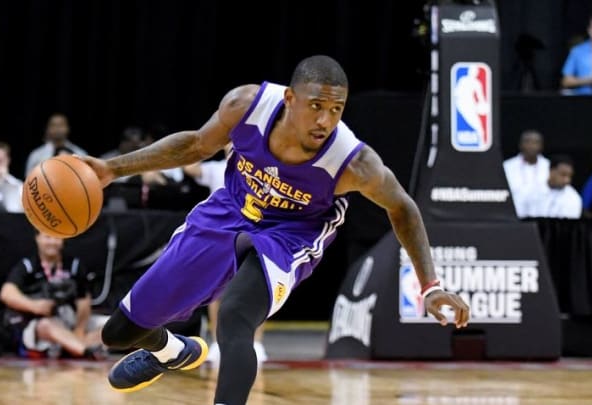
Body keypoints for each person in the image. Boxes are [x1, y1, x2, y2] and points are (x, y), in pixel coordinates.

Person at [78, 55, 470, 404]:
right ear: (289, 99)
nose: (325, 120)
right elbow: (196, 145)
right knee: (119, 332)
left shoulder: (353, 161)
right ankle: (171, 351)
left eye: (336, 109)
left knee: (233, 318)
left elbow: (403, 208)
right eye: (316, 106)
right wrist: (114, 169)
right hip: (229, 210)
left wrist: (430, 286)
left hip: (291, 235)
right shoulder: (246, 106)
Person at [183, 144, 267, 366]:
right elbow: (189, 168)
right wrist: (209, 142)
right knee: (217, 294)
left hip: (254, 236)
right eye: (228, 143)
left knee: (258, 292)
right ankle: (218, 343)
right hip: (223, 237)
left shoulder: (259, 170)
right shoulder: (217, 168)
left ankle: (256, 343)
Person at [0, 231, 109, 360]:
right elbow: (6, 293)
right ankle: (84, 350)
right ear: (37, 239)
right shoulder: (28, 265)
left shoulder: (73, 265)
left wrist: (79, 329)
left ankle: (73, 345)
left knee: (110, 324)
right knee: (46, 325)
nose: (52, 242)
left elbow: (84, 300)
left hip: (70, 320)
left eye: (57, 237)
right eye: (47, 237)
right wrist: (34, 306)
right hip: (42, 324)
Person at [514, 154, 582, 219]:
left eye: (570, 176)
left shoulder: (573, 198)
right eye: (563, 175)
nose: (567, 180)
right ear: (551, 170)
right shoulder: (530, 189)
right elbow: (518, 212)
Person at [503, 130, 550, 217]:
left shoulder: (549, 167)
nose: (531, 146)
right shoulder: (507, 166)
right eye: (527, 142)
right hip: (514, 216)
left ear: (541, 146)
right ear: (520, 145)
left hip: (542, 216)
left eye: (535, 142)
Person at [561, 15, 592, 95]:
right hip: (582, 99)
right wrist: (590, 81)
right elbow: (566, 81)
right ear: (589, 30)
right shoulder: (577, 51)